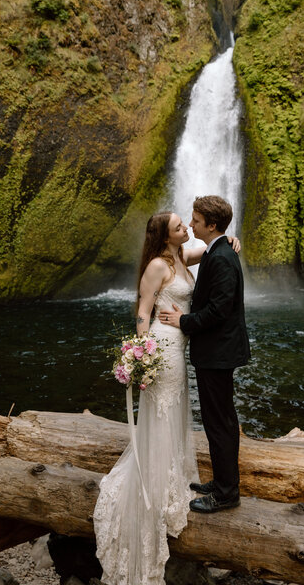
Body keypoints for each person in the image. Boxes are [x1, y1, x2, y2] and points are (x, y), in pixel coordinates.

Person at [93, 210, 240, 585]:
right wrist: (141, 351)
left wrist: (232, 241)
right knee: (161, 408)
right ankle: (154, 483)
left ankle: (172, 474)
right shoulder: (158, 265)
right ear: (165, 235)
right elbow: (143, 308)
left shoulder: (182, 256)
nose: (186, 227)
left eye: (187, 223)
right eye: (179, 225)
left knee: (175, 410)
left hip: (180, 346)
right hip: (162, 343)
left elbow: (212, 249)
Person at [159, 195, 250, 513]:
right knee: (218, 420)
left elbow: (219, 310)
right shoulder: (218, 250)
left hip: (218, 352)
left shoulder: (222, 256)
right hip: (216, 351)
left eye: (196, 220)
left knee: (220, 421)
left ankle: (226, 493)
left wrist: (182, 321)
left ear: (212, 225)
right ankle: (223, 481)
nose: (191, 223)